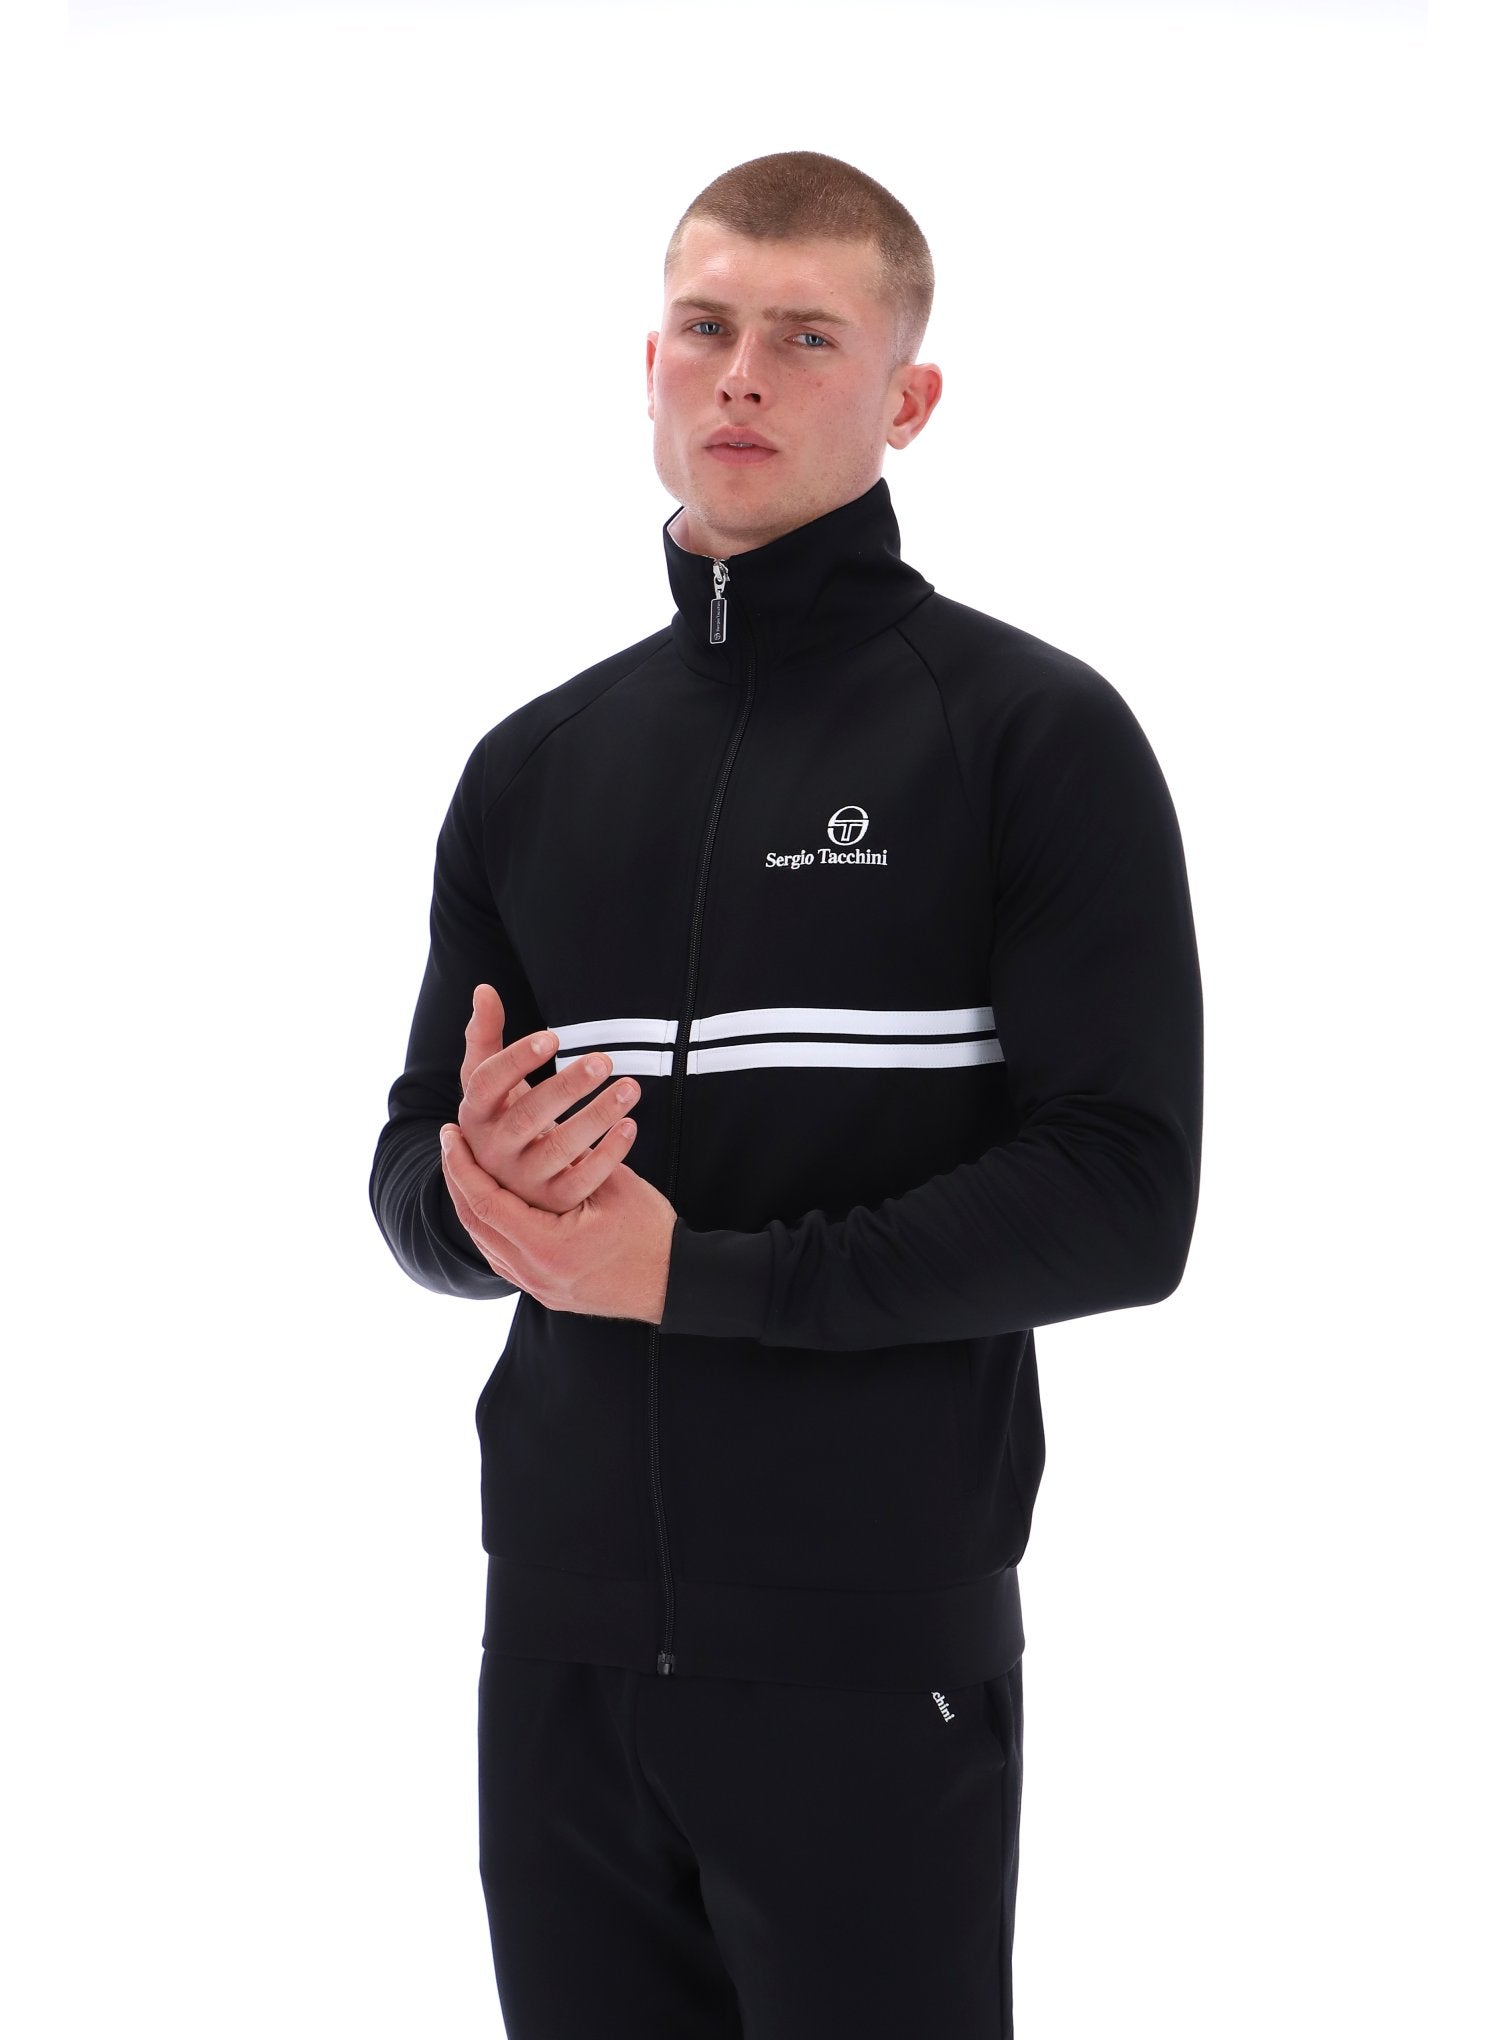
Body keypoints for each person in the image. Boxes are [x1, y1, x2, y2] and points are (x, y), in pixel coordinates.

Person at [369, 148, 1203, 2040]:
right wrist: (470, 1188)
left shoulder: (1028, 735)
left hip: (870, 1652)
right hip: (560, 1647)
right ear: (649, 364)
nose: (741, 373)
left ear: (909, 398)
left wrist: (696, 1278)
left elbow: (1123, 1197)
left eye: (809, 336)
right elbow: (411, 1172)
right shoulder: (533, 765)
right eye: (707, 325)